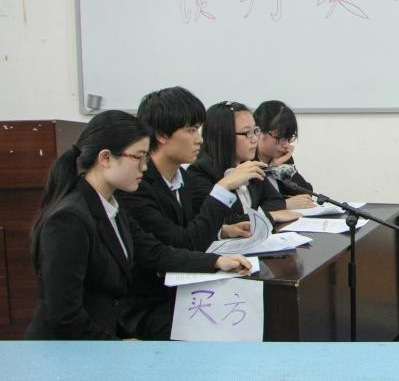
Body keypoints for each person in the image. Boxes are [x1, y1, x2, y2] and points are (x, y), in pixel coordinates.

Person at [25, 110, 250, 340]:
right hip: (68, 348)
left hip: (101, 337)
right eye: (139, 157)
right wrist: (119, 345)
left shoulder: (111, 206)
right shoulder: (69, 219)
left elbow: (154, 251)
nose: (144, 167)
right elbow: (64, 314)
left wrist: (216, 261)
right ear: (106, 158)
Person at [116, 86, 255, 339]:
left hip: (186, 293)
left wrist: (223, 231)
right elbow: (183, 243)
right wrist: (222, 189)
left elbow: (192, 232)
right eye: (191, 130)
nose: (199, 139)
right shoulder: (136, 185)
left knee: (256, 310)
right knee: (238, 329)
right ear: (161, 135)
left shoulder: (182, 178)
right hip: (150, 305)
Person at [187, 101, 297, 224]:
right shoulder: (200, 173)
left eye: (255, 131)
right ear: (224, 135)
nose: (255, 139)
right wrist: (268, 216)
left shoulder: (249, 164)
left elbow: (276, 201)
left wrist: (257, 216)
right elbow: (219, 221)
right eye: (247, 133)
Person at [253, 100, 316, 209]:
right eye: (281, 138)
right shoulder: (246, 160)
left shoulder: (282, 158)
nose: (286, 145)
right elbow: (250, 207)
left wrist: (280, 169)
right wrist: (283, 204)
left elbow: (306, 194)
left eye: (289, 138)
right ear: (258, 132)